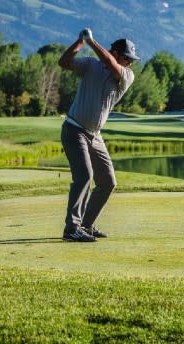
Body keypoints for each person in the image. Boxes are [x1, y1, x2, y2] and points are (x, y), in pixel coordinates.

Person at [58, 28, 140, 242]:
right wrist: (79, 43)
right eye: (126, 58)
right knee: (84, 176)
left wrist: (92, 41)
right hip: (74, 129)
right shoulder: (89, 65)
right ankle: (72, 229)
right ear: (115, 52)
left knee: (107, 181)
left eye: (130, 60)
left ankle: (86, 225)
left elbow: (112, 64)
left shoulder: (126, 75)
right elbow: (64, 63)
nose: (129, 63)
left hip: (95, 135)